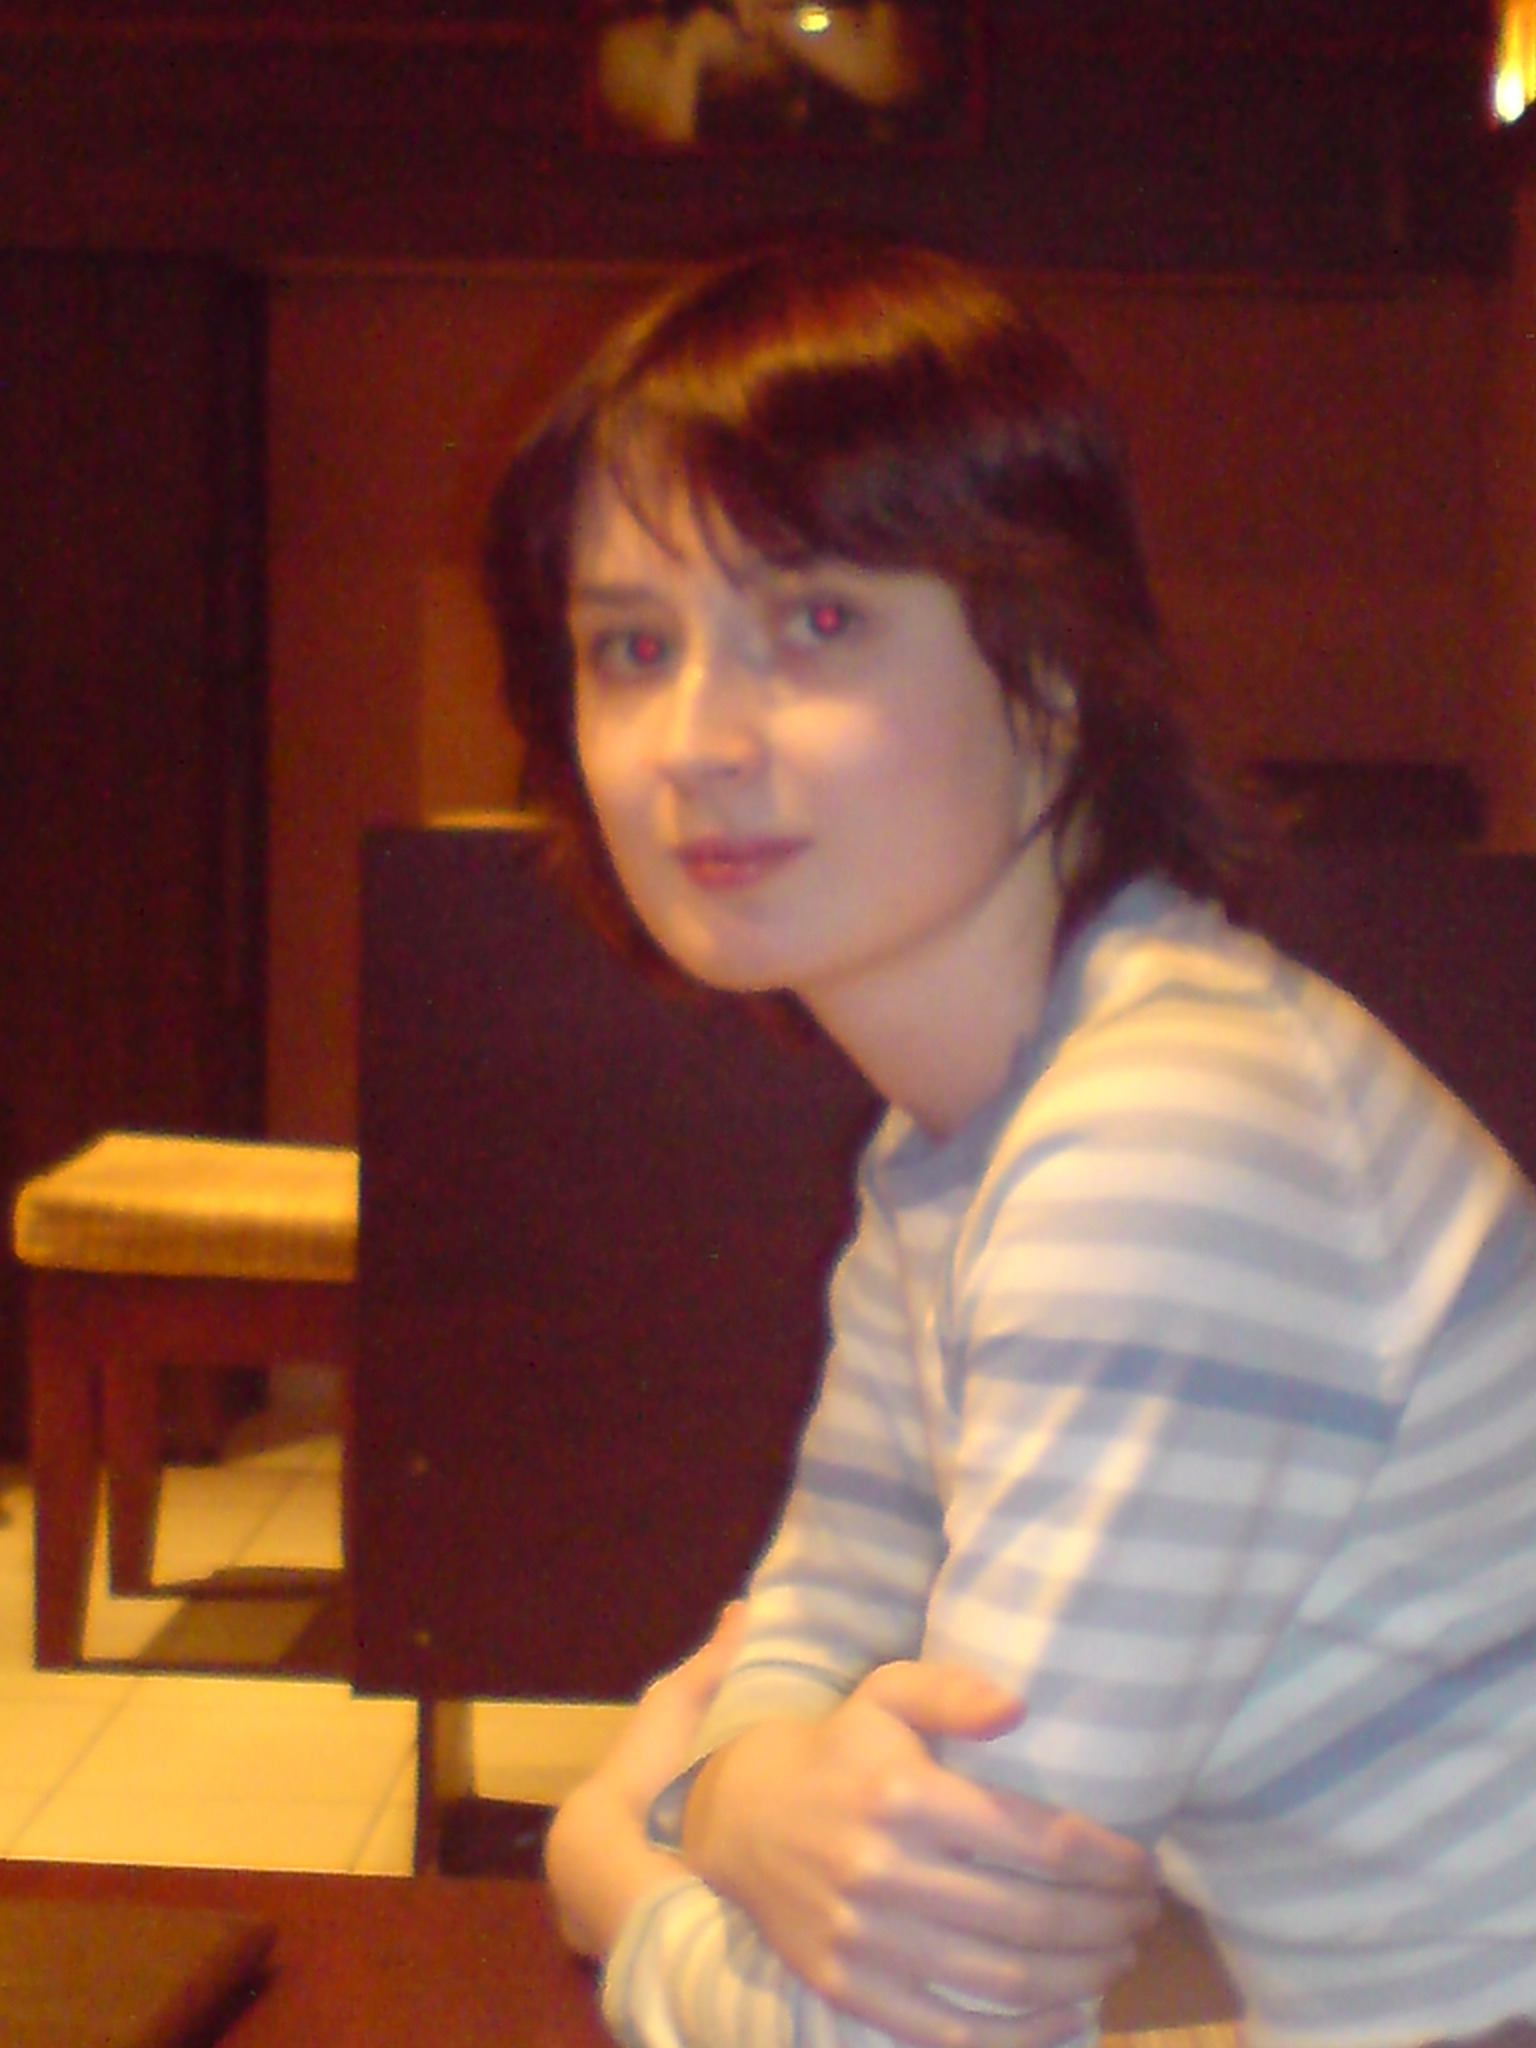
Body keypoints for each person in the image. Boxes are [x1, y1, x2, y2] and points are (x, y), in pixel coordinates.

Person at [481, 238, 1536, 2048]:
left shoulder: (1164, 1147)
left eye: (817, 622)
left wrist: (621, 1874)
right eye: (630, 648)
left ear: (1050, 664)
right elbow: (819, 1606)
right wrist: (747, 1793)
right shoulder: (958, 1149)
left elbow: (925, 2024)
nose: (695, 741)